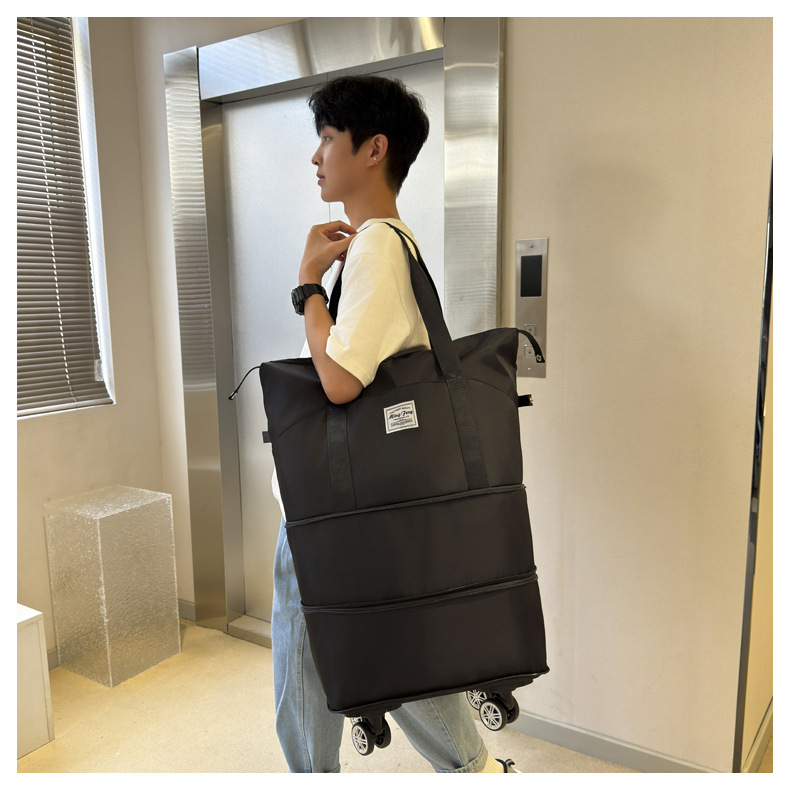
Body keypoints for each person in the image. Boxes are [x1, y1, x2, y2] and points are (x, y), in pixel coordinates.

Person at [271, 74, 518, 773]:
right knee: (384, 650)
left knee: (307, 662)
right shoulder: (384, 244)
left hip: (332, 513)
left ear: (374, 149)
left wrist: (308, 286)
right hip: (370, 505)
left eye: (327, 138)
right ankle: (477, 771)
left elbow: (339, 381)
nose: (316, 155)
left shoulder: (378, 244)